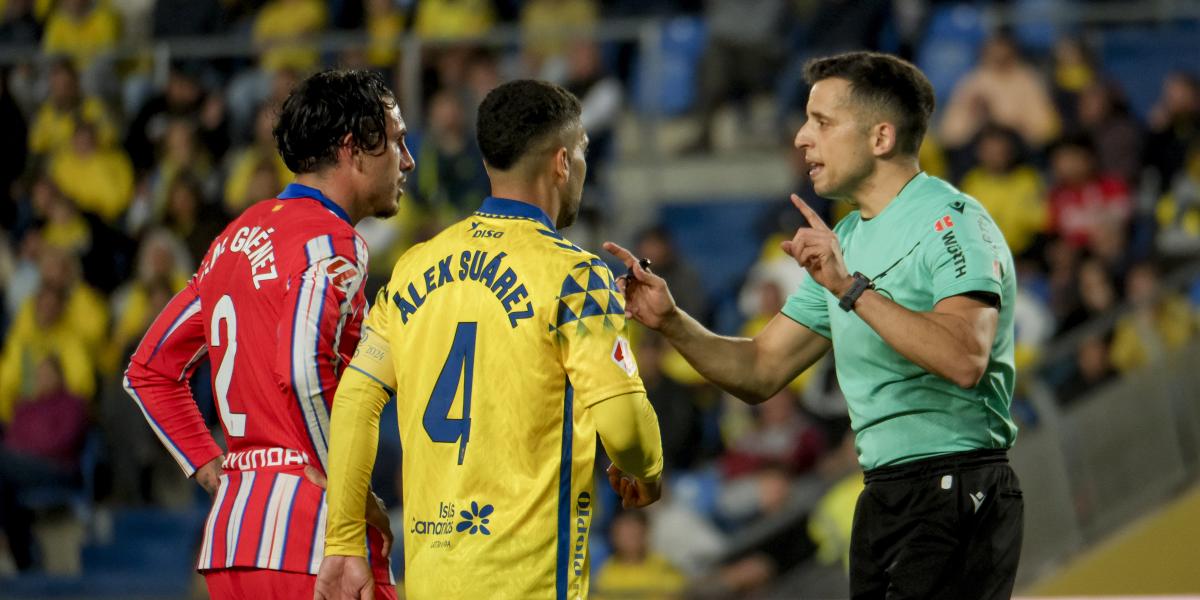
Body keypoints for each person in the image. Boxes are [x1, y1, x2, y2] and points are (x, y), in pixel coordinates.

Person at [606, 52, 1023, 600]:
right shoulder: (847, 238)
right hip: (884, 493)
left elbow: (965, 358)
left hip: (954, 484)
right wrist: (672, 323)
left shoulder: (953, 221)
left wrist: (850, 288)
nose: (803, 137)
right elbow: (760, 368)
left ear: (880, 137)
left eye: (822, 122)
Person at [315, 80, 665, 600]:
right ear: (562, 162)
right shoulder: (575, 276)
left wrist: (343, 540)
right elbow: (626, 432)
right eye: (584, 152)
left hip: (431, 582)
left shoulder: (413, 268)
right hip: (528, 584)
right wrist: (646, 468)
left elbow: (355, 400)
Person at [123, 69, 415, 600]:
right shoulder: (333, 244)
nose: (408, 161)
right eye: (397, 141)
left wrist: (214, 467)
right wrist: (350, 496)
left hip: (234, 537)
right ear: (354, 149)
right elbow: (304, 369)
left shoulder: (233, 239)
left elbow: (149, 370)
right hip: (316, 540)